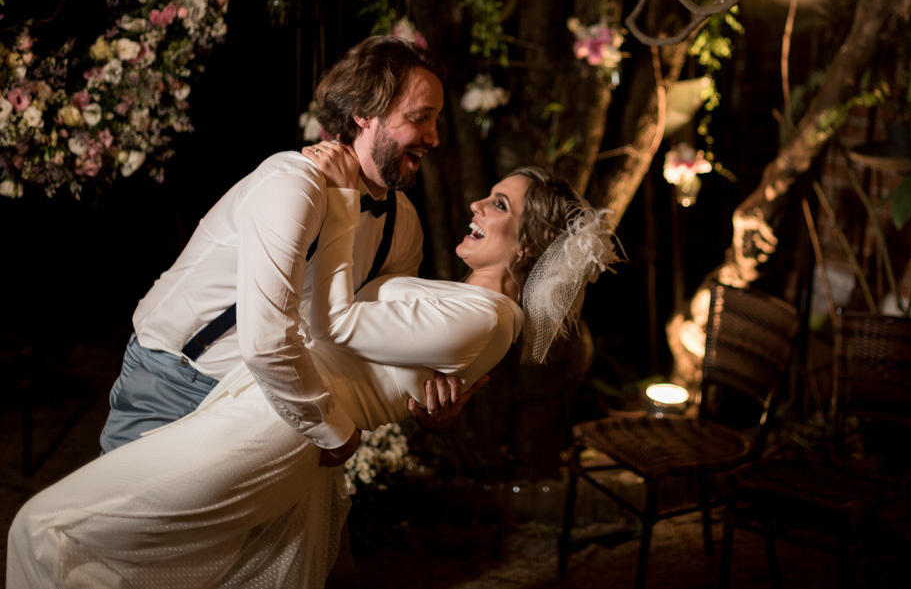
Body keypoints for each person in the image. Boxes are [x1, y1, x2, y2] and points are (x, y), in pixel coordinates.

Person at [8, 154, 619, 588]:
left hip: (274, 425)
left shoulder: (486, 318)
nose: (477, 204)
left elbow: (336, 325)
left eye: (500, 204)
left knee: (44, 528)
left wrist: (344, 201)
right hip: (273, 411)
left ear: (528, 245)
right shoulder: (469, 302)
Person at [99, 35, 468, 464]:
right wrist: (334, 433)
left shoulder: (402, 224)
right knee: (121, 507)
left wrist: (426, 401)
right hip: (180, 380)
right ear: (364, 113)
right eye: (420, 118)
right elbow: (266, 341)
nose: (433, 137)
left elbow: (384, 337)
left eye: (436, 120)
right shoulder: (294, 185)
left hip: (268, 403)